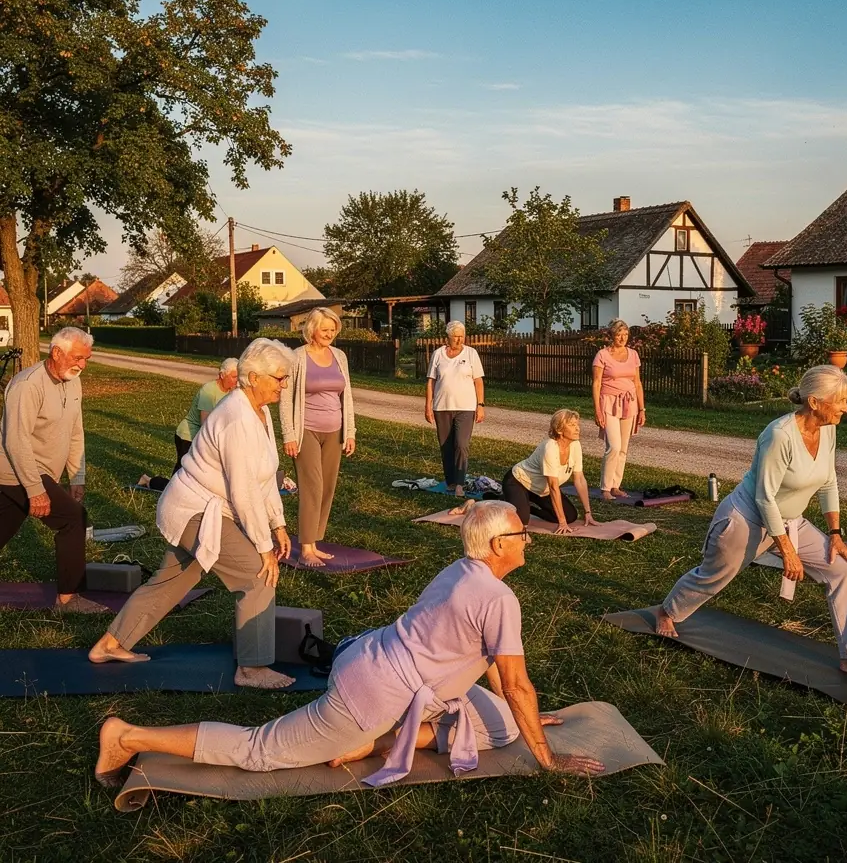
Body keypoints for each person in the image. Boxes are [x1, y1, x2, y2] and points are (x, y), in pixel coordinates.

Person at [94, 500, 604, 787]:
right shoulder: (499, 598)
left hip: (367, 655)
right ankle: (128, 736)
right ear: (497, 546)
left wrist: (521, 716)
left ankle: (375, 742)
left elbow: (496, 667)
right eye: (521, 534)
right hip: (369, 694)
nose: (527, 539)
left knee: (501, 728)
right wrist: (547, 758)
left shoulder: (461, 570)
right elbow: (516, 683)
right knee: (259, 750)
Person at [652, 365, 847, 681]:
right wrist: (787, 551)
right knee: (713, 576)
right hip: (745, 519)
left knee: (842, 568)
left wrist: (836, 535)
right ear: (815, 402)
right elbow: (765, 497)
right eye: (840, 401)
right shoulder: (779, 435)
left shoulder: (828, 429)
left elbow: (829, 481)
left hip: (790, 520)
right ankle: (667, 611)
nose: (845, 409)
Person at [89, 339, 297, 690]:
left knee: (171, 581)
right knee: (258, 576)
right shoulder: (235, 418)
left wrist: (278, 524)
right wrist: (264, 547)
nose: (284, 384)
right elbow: (243, 490)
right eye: (279, 377)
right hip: (195, 510)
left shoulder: (260, 413)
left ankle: (109, 644)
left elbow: (264, 477)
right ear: (253, 377)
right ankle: (252, 669)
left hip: (205, 509)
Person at [0, 327, 105, 613]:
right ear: (57, 352)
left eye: (86, 359)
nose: (82, 365)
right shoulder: (27, 385)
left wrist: (77, 476)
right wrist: (35, 490)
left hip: (41, 473)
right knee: (73, 519)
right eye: (77, 358)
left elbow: (75, 431)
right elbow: (16, 441)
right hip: (16, 472)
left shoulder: (73, 382)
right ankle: (68, 600)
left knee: (4, 527)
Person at [279, 307, 356, 568]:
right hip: (306, 431)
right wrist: (289, 435)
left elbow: (347, 396)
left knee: (327, 487)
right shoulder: (297, 357)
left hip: (335, 430)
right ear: (312, 329)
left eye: (333, 330)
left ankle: (314, 541)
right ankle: (305, 548)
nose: (330, 334)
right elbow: (285, 399)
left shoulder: (339, 356)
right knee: (312, 486)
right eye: (325, 329)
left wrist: (350, 432)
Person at [453, 409, 596, 536]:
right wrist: (562, 523)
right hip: (518, 482)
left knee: (571, 516)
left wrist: (588, 513)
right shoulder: (550, 448)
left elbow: (579, 479)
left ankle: (520, 505)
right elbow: (553, 487)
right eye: (572, 425)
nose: (577, 428)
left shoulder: (575, 445)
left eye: (577, 424)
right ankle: (474, 505)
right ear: (559, 430)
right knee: (521, 522)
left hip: (540, 489)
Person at [424, 321, 485, 497]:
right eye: (455, 336)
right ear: (448, 337)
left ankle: (459, 483)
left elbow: (478, 381)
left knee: (461, 444)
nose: (459, 339)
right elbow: (431, 381)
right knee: (446, 445)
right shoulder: (438, 354)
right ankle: (450, 481)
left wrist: (480, 405)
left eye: (461, 336)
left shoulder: (471, 353)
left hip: (466, 407)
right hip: (442, 406)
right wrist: (428, 405)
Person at [592, 319, 645, 499]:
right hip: (608, 402)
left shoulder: (633, 355)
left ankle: (616, 485)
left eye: (625, 334)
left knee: (623, 448)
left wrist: (642, 409)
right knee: (613, 446)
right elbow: (596, 383)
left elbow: (637, 383)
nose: (622, 338)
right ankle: (605, 488)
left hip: (630, 403)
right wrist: (597, 410)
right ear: (612, 336)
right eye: (619, 334)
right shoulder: (602, 355)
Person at [171, 358, 238, 472]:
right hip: (189, 435)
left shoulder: (231, 393)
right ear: (222, 375)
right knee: (183, 473)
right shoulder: (208, 391)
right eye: (234, 377)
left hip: (205, 437)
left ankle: (149, 480)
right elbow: (205, 423)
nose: (236, 381)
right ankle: (150, 480)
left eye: (238, 377)